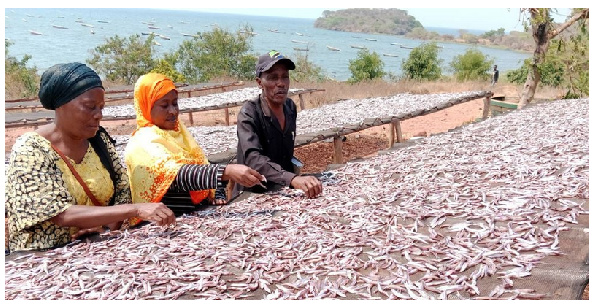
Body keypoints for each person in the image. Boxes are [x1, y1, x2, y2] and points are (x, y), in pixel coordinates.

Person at [5, 63, 175, 252]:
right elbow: (60, 214)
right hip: (42, 257)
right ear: (62, 105)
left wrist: (105, 227)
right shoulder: (31, 149)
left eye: (101, 108)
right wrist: (136, 209)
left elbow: (122, 189)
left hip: (93, 250)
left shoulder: (98, 139)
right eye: (90, 107)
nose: (98, 115)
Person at [124, 73, 264, 223]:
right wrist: (226, 171)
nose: (173, 111)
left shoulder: (178, 133)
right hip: (163, 226)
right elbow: (177, 175)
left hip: (192, 219)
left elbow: (201, 165)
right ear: (146, 106)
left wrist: (217, 193)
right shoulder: (143, 141)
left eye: (175, 103)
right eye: (164, 105)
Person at [235, 50, 323, 199]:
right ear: (259, 83)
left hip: (285, 190)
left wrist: (291, 180)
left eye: (285, 77)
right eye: (273, 78)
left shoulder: (290, 107)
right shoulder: (249, 113)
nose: (281, 83)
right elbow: (253, 159)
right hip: (254, 193)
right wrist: (292, 179)